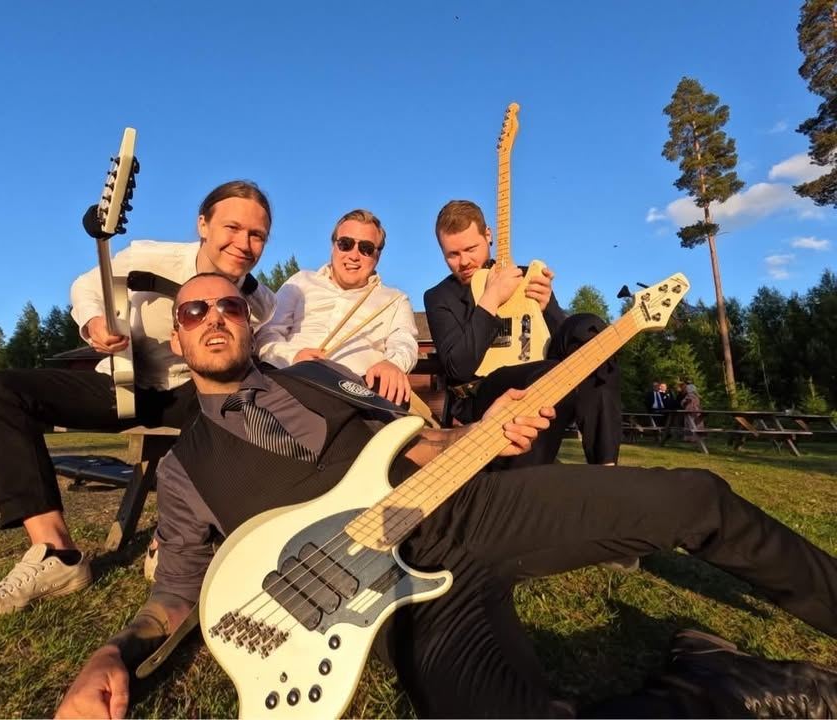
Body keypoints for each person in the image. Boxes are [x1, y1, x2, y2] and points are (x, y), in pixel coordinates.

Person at [57, 273, 837, 719]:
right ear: (177, 336)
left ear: (249, 324)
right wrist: (111, 653)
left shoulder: (318, 378)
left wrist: (484, 432)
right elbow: (176, 592)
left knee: (695, 496)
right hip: (392, 599)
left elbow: (420, 443)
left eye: (230, 305)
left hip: (466, 508)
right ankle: (712, 685)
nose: (215, 317)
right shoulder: (185, 468)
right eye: (195, 311)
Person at [0, 180, 277, 625]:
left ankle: (175, 540)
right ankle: (56, 554)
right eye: (232, 228)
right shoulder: (150, 256)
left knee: (234, 402)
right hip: (122, 382)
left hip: (190, 392)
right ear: (203, 224)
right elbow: (87, 287)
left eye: (257, 235)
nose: (243, 243)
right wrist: (94, 322)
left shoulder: (260, 302)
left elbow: (270, 347)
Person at [423, 200, 620, 467]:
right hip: (483, 393)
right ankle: (528, 480)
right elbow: (458, 367)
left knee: (590, 330)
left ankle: (605, 465)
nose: (464, 261)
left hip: (543, 370)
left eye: (470, 249)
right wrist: (491, 298)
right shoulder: (439, 297)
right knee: (548, 373)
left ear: (488, 235)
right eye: (452, 255)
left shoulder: (527, 277)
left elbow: (560, 343)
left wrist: (546, 308)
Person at [257, 209, 418, 405]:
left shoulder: (394, 300)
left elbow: (404, 343)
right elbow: (267, 334)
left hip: (354, 394)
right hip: (290, 381)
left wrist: (393, 363)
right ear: (333, 246)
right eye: (345, 244)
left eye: (366, 248)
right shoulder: (300, 281)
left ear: (378, 255)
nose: (354, 255)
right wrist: (292, 357)